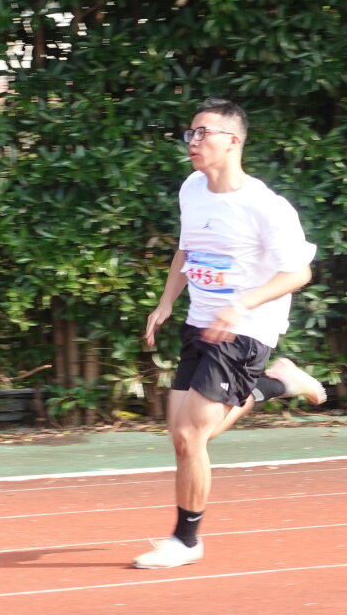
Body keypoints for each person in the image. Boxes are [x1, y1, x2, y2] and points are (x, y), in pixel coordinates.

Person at [132, 98, 325, 570]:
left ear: (233, 141)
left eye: (204, 133)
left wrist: (241, 304)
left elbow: (298, 273)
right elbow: (187, 250)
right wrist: (166, 301)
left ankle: (186, 541)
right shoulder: (192, 188)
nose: (193, 141)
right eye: (191, 133)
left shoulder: (265, 206)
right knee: (181, 436)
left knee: (191, 434)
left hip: (246, 328)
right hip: (201, 322)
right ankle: (278, 384)